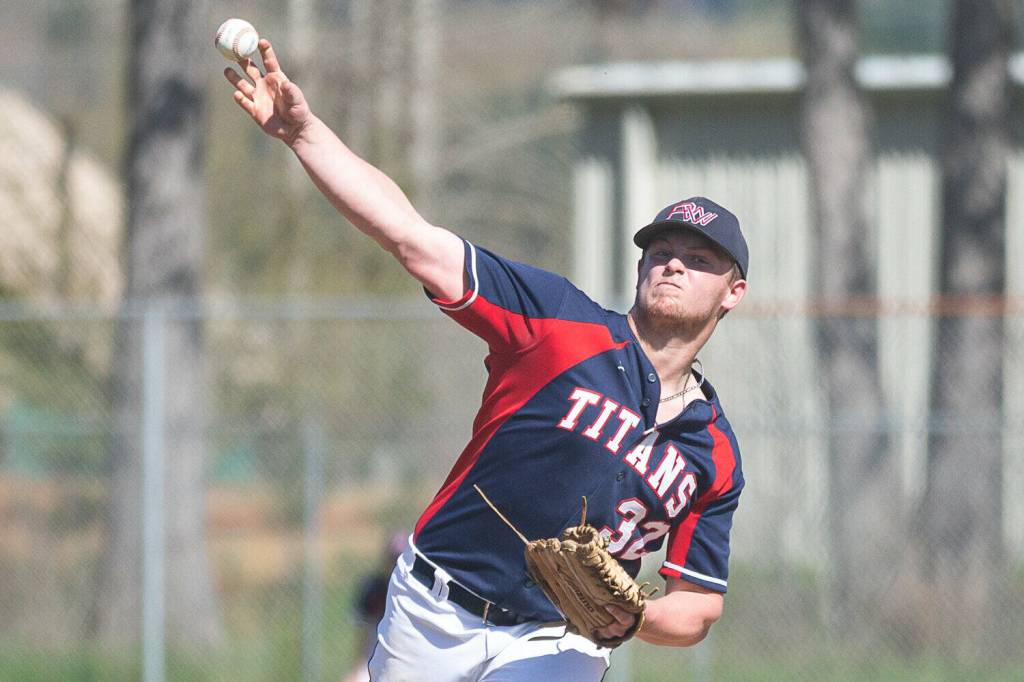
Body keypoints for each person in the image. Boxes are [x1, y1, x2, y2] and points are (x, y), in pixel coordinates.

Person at [225, 40, 748, 682]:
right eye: (662, 250)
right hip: (434, 607)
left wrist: (635, 616)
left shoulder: (713, 449)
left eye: (699, 260)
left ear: (733, 293)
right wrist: (305, 135)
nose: (674, 263)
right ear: (639, 265)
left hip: (559, 641)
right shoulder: (561, 324)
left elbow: (698, 605)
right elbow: (411, 238)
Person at [341, 533, 408, 682]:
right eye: (393, 559)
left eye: (400, 560)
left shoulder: (414, 591)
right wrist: (357, 668)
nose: (395, 565)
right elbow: (363, 634)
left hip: (406, 658)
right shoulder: (373, 589)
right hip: (374, 655)